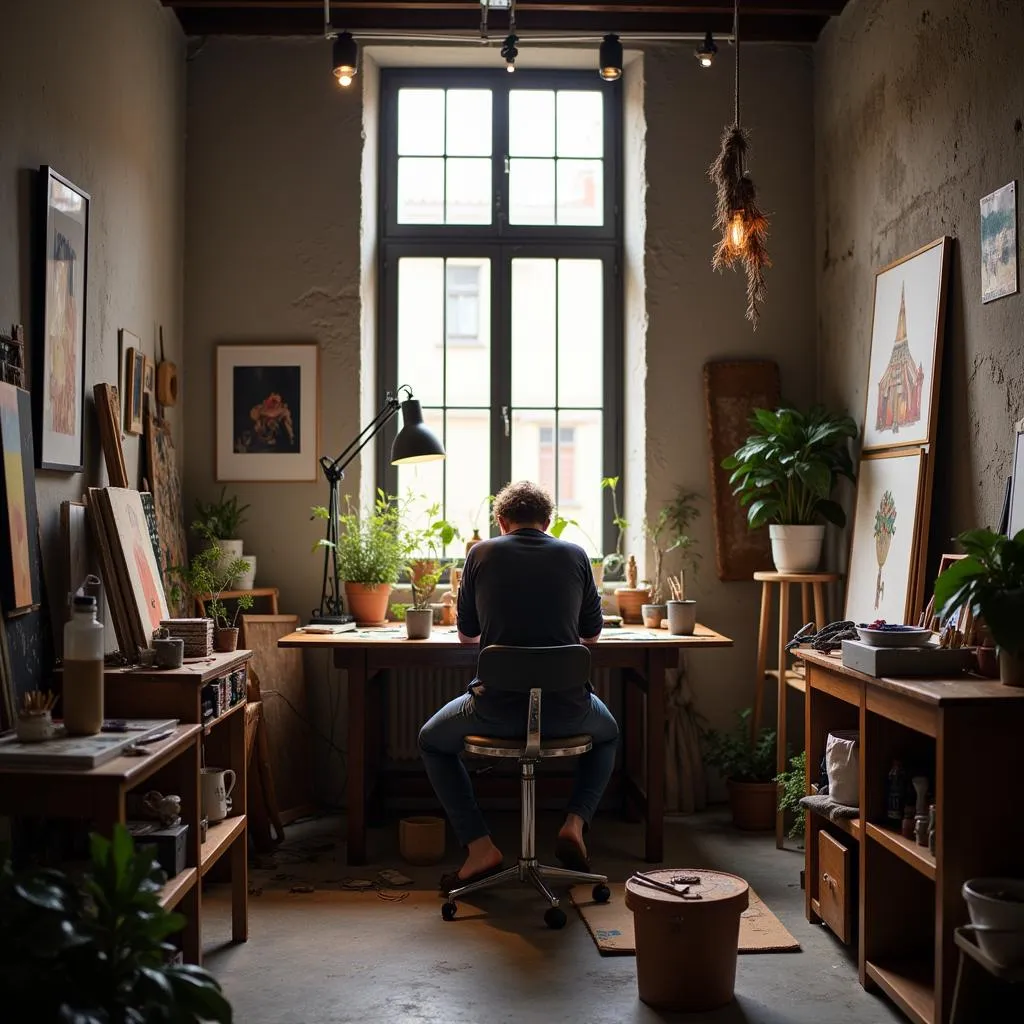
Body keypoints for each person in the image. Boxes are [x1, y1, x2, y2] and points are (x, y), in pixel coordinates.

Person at [418, 480, 619, 891]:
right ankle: (575, 824)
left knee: (430, 740)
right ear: (548, 522)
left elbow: (466, 637)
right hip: (567, 711)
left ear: (501, 521)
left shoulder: (481, 553)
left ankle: (479, 846)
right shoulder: (576, 554)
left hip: (494, 711)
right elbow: (591, 636)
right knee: (609, 734)